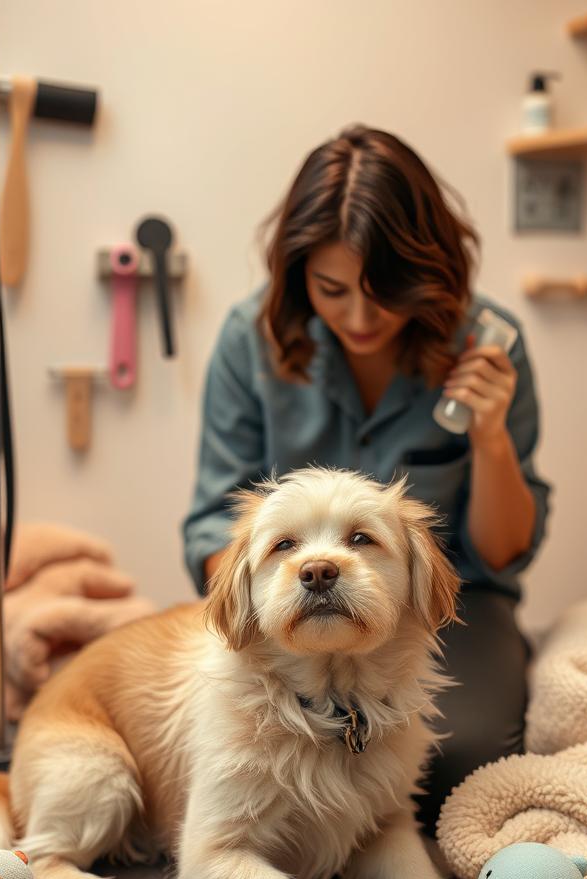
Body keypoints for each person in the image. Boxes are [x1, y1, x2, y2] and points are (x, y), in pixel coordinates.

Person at [182, 125, 551, 832]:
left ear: (428, 273)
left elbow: (502, 555)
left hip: (444, 608)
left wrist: (491, 437)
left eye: (383, 294)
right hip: (277, 611)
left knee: (460, 759)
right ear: (298, 277)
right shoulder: (247, 342)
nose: (357, 317)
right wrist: (266, 605)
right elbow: (211, 527)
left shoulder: (490, 345)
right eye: (331, 289)